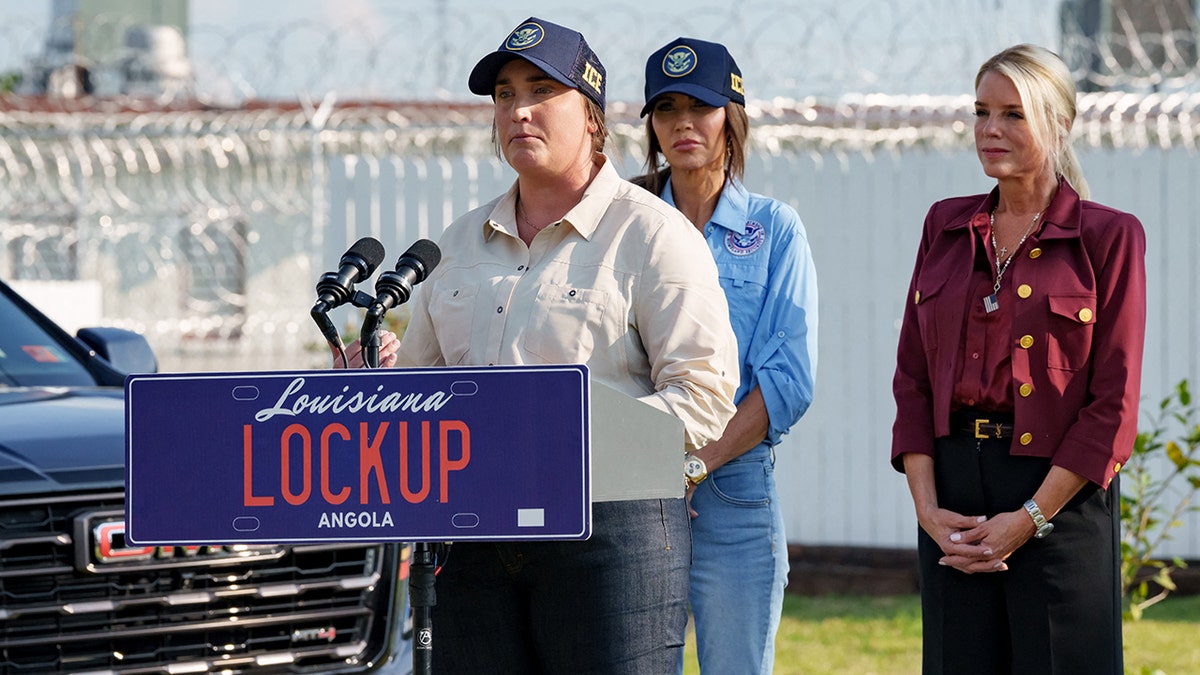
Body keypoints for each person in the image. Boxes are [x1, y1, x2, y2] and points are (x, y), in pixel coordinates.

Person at [337, 17, 739, 674]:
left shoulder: (654, 237)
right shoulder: (456, 245)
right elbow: (423, 393)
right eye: (503, 94)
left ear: (591, 117)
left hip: (610, 531)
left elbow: (703, 399)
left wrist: (568, 446)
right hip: (471, 537)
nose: (518, 110)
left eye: (540, 91)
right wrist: (368, 390)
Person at [891, 44, 1146, 674]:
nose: (990, 130)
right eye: (981, 111)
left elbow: (1111, 407)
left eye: (1014, 113)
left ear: (1059, 123)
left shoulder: (1108, 238)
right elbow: (913, 381)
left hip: (1059, 500)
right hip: (952, 503)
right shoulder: (944, 227)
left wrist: (1029, 518)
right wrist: (927, 511)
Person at [633, 37, 818, 675]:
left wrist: (697, 464)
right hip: (631, 490)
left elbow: (787, 380)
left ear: (731, 118)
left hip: (734, 491)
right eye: (667, 108)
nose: (684, 123)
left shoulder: (773, 230)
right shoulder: (622, 226)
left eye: (702, 107)